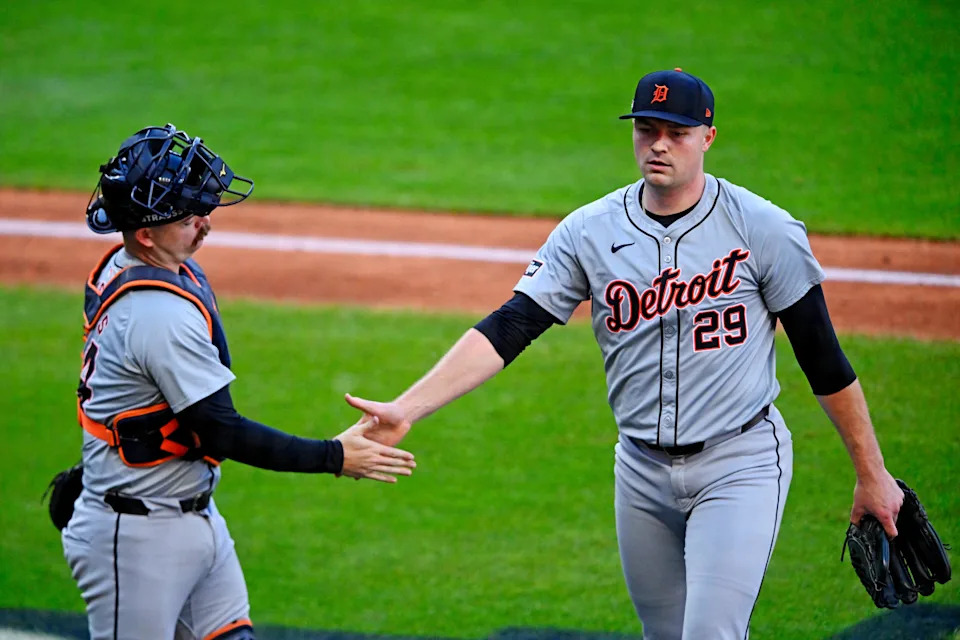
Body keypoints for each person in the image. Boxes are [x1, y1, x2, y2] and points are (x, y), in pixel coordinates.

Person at [344, 70, 904, 639]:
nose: (659, 144)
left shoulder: (763, 229)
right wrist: (409, 407)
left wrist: (872, 473)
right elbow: (511, 326)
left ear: (708, 137)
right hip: (640, 470)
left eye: (677, 132)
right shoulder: (589, 231)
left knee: (711, 634)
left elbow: (824, 360)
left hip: (740, 463)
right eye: (647, 128)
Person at [63, 124, 416, 640]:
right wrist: (336, 456)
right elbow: (220, 429)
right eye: (189, 216)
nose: (205, 222)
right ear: (146, 233)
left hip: (191, 516)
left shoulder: (136, 266)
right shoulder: (157, 316)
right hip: (137, 540)